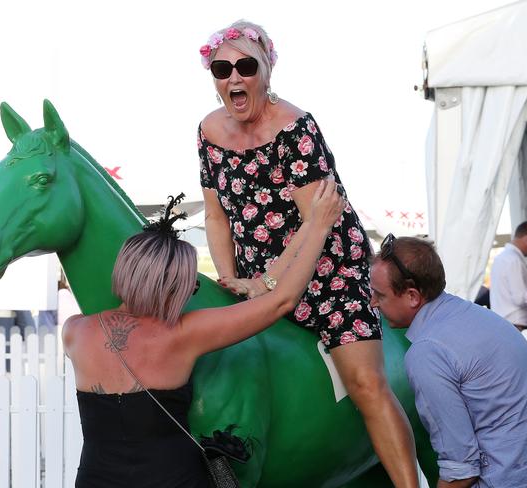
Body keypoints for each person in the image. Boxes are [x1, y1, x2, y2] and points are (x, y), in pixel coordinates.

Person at [197, 20, 418, 486]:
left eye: (245, 66)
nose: (234, 78)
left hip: (327, 265)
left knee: (366, 385)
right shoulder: (208, 131)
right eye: (222, 68)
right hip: (259, 275)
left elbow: (315, 223)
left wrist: (268, 283)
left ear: (266, 71)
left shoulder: (296, 128)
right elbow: (216, 217)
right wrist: (229, 278)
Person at [62, 184, 343, 488]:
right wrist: (319, 226)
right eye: (188, 286)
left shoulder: (75, 332)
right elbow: (281, 302)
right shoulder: (184, 334)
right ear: (170, 286)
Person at [369, 234, 527, 488]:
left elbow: (461, 469)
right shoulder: (480, 317)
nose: (373, 303)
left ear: (412, 296)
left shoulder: (427, 352)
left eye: (379, 295)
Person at [489, 221, 527, 330]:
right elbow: (519, 298)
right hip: (517, 324)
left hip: (501, 322)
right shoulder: (514, 260)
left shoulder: (500, 258)